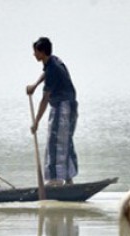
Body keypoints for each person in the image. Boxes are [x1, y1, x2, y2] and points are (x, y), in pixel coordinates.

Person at [26, 37, 78, 186]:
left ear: (42, 52)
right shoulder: (53, 62)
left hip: (63, 107)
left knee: (55, 142)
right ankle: (68, 179)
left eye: (35, 51)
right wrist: (35, 86)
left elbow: (45, 99)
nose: (34, 54)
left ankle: (56, 180)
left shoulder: (53, 68)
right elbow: (46, 74)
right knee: (65, 141)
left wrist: (36, 122)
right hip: (68, 105)